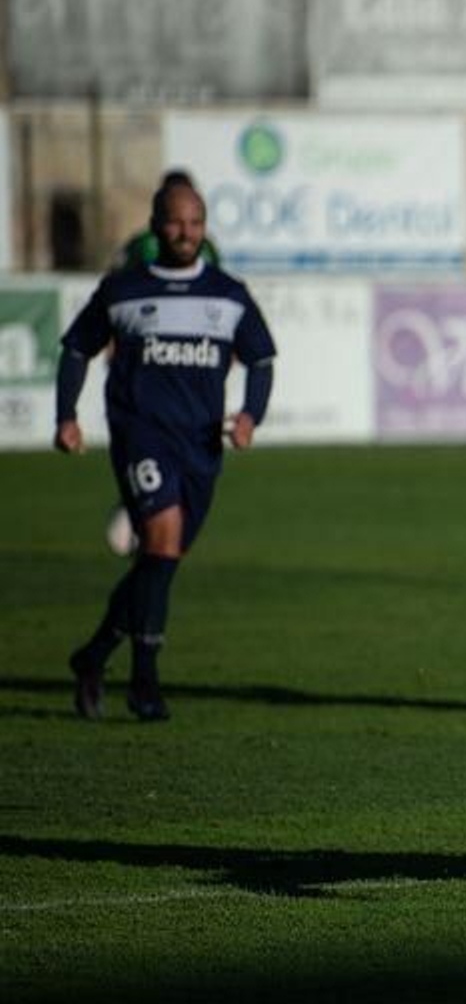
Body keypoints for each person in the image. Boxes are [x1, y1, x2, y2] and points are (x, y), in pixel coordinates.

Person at [55, 179, 276, 721]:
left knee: (161, 561)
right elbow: (76, 349)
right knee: (162, 540)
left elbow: (262, 361)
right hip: (141, 435)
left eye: (196, 222)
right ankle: (144, 684)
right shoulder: (123, 290)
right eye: (176, 222)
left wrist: (250, 416)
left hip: (200, 444)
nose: (187, 232)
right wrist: (66, 416)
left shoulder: (228, 294)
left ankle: (94, 654)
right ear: (155, 226)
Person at [103, 170, 226, 558]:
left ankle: (151, 514)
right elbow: (115, 295)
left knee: (180, 444)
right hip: (148, 362)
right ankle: (144, 507)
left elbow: (217, 295)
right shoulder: (142, 247)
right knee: (150, 435)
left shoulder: (206, 250)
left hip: (187, 364)